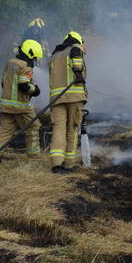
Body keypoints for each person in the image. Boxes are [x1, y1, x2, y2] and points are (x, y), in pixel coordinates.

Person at [0, 39, 44, 158]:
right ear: (30, 53)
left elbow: (3, 83)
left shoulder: (10, 63)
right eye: (34, 57)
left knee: (5, 131)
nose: (34, 61)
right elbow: (23, 84)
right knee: (33, 126)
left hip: (6, 104)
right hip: (21, 106)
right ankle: (34, 156)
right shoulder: (25, 66)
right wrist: (35, 90)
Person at [48, 30, 87, 173]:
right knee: (72, 130)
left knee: (58, 130)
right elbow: (76, 60)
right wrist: (78, 73)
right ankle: (69, 164)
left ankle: (56, 165)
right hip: (74, 96)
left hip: (56, 99)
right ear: (77, 41)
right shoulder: (76, 49)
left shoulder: (54, 55)